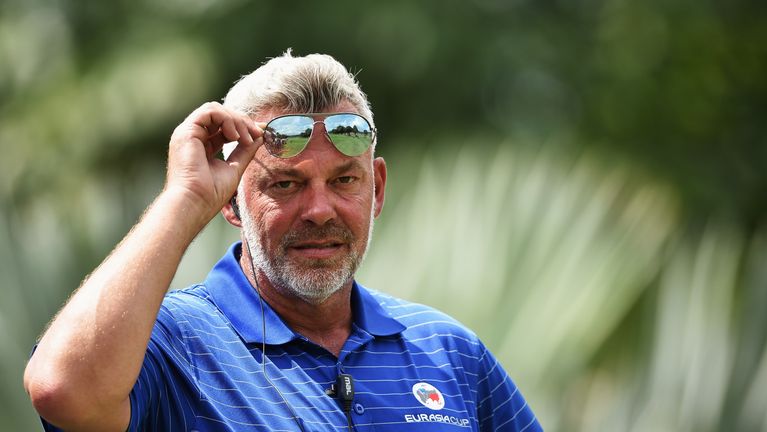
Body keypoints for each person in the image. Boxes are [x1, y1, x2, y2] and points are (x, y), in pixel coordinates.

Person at [24, 51, 542, 431]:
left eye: (344, 181)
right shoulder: (173, 343)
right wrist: (184, 197)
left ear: (377, 188)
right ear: (230, 204)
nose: (319, 211)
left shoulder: (447, 349)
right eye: (285, 184)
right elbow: (63, 391)